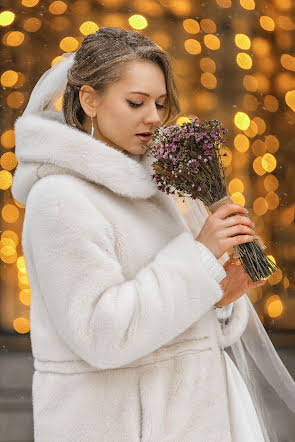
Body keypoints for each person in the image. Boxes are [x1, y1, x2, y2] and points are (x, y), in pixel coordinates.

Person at [11, 27, 295, 442]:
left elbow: (163, 320)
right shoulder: (59, 199)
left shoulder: (150, 190)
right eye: (136, 102)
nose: (154, 117)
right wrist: (201, 255)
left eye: (160, 104)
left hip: (192, 419)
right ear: (89, 99)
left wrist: (219, 296)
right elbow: (102, 335)